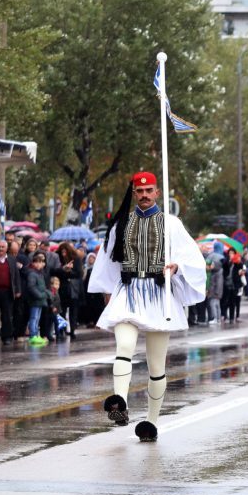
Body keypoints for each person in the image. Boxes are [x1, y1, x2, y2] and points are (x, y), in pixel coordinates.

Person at [88, 171, 206, 442]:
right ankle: (120, 400)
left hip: (158, 296)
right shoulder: (121, 224)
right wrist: (107, 293)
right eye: (139, 191)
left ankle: (151, 422)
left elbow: (193, 257)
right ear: (134, 192)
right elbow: (108, 260)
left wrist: (177, 267)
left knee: (156, 364)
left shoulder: (171, 224)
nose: (143, 195)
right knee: (124, 346)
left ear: (157, 192)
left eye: (149, 190)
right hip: (128, 292)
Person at [25, 253, 49, 346]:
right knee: (34, 318)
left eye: (42, 262)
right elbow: (31, 287)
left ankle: (35, 334)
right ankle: (32, 335)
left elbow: (42, 287)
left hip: (40, 300)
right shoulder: (32, 274)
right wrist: (40, 295)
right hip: (35, 300)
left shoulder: (40, 274)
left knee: (37, 318)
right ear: (34, 263)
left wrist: (45, 294)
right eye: (38, 262)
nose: (40, 264)